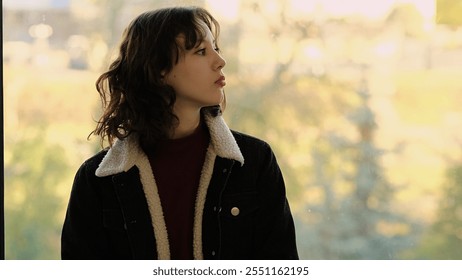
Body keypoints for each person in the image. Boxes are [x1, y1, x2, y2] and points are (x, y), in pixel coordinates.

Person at [61, 6, 298, 260]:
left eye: (215, 48)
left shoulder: (254, 161)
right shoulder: (97, 181)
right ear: (158, 69)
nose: (220, 61)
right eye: (200, 51)